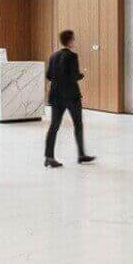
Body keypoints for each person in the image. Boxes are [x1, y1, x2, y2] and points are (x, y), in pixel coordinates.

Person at [44, 29, 95, 168]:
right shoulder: (72, 56)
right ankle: (81, 154)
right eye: (74, 39)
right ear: (70, 40)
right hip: (71, 96)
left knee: (54, 126)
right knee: (78, 124)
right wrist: (81, 75)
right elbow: (73, 76)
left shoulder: (53, 56)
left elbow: (48, 75)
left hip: (56, 96)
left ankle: (49, 156)